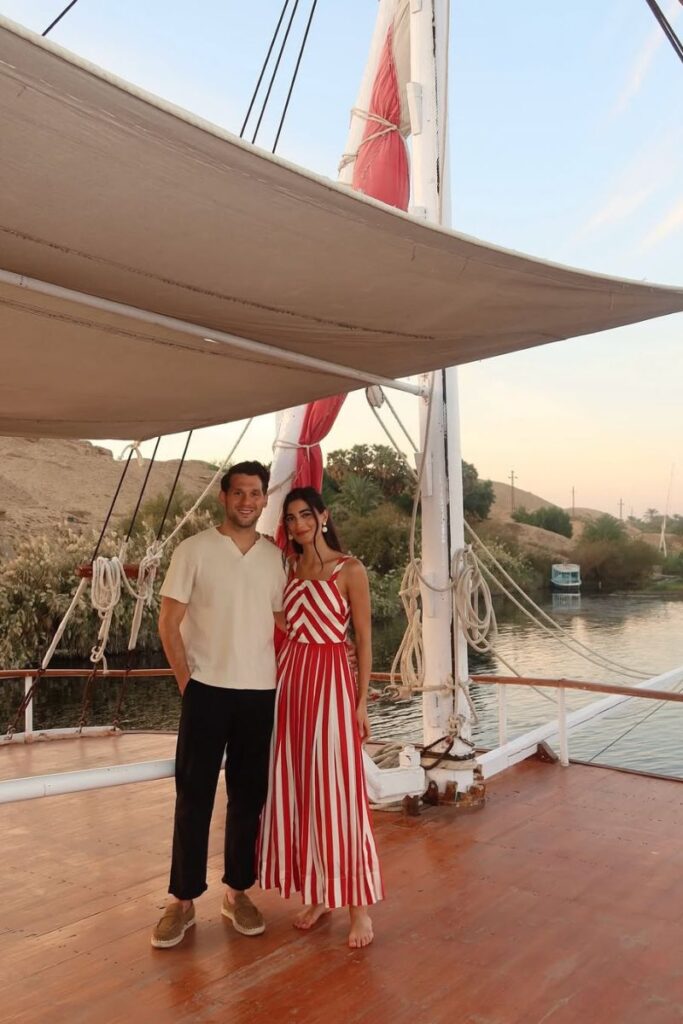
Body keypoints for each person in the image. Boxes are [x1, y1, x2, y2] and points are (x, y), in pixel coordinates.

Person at [151, 461, 286, 949]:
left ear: (265, 499)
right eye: (239, 493)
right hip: (206, 690)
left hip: (259, 693)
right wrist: (189, 683)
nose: (247, 501)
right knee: (194, 798)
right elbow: (169, 623)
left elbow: (284, 623)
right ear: (224, 497)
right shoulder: (194, 551)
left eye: (256, 493)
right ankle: (181, 902)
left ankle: (237, 892)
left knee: (249, 797)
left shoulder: (275, 559)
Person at [259, 487, 384, 949]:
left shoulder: (350, 570)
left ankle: (358, 907)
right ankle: (318, 893)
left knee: (337, 793)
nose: (298, 524)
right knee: (300, 789)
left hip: (332, 683)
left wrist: (362, 701)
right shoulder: (288, 568)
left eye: (305, 515)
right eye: (290, 518)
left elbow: (365, 640)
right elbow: (278, 617)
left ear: (324, 516)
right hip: (291, 683)